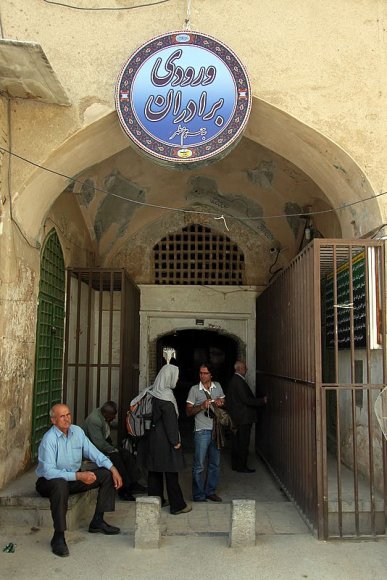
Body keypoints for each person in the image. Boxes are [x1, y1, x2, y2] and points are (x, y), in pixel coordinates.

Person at [36, 403, 123, 557]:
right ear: (53, 420)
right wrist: (78, 476)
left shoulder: (77, 432)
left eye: (68, 414)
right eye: (61, 416)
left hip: (73, 478)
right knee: (60, 484)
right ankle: (58, 536)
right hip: (49, 482)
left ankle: (98, 521)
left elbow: (95, 453)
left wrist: (113, 468)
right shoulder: (49, 439)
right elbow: (49, 472)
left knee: (106, 474)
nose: (66, 419)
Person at [147, 364, 192, 515]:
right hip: (166, 441)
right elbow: (171, 423)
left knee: (155, 471)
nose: (177, 378)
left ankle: (155, 502)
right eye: (176, 375)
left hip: (153, 439)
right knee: (171, 472)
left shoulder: (152, 393)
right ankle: (177, 505)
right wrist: (176, 442)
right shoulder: (167, 398)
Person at [83, 401, 145, 501]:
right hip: (92, 449)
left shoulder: (103, 414)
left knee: (125, 453)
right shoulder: (94, 420)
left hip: (100, 445)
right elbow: (99, 444)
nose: (114, 417)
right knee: (116, 458)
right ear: (106, 414)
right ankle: (123, 490)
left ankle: (133, 483)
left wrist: (114, 448)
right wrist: (113, 449)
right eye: (113, 415)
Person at [186, 363, 225, 502]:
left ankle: (210, 491)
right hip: (201, 431)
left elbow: (223, 401)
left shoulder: (218, 386)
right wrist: (202, 406)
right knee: (199, 465)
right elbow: (188, 411)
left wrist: (220, 401)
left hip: (216, 430)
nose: (202, 375)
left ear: (211, 375)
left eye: (205, 373)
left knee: (215, 463)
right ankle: (198, 495)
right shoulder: (194, 390)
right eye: (201, 373)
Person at [227, 361, 267, 473]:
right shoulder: (238, 381)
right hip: (243, 418)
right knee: (243, 443)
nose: (247, 369)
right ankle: (241, 466)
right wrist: (261, 401)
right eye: (245, 367)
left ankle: (235, 465)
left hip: (238, 417)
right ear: (239, 369)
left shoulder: (235, 380)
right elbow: (246, 400)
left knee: (237, 442)